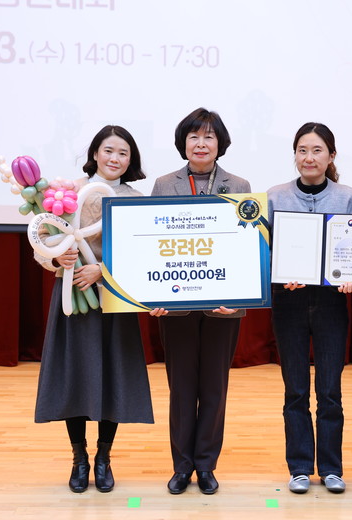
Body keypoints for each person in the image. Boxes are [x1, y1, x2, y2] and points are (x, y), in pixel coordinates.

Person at [34, 125, 154, 493]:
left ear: (131, 160)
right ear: (95, 154)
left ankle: (103, 457)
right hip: (72, 298)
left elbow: (142, 253)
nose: (115, 158)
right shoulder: (67, 192)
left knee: (112, 376)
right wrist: (57, 258)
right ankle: (79, 458)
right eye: (108, 150)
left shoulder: (136, 199)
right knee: (75, 376)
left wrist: (102, 270)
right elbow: (42, 240)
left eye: (123, 153)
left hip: (114, 299)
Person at [149, 107, 251, 495]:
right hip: (175, 305)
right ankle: (182, 466)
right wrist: (152, 296)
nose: (201, 143)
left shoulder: (239, 185)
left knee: (213, 388)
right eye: (194, 136)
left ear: (220, 143)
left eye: (209, 136)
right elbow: (153, 245)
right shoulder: (164, 185)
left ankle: (206, 465)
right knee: (181, 389)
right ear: (183, 144)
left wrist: (239, 298)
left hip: (223, 306)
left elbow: (247, 248)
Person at [267, 123, 352, 495]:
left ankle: (332, 468)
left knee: (330, 390)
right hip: (288, 302)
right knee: (295, 390)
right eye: (302, 150)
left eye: (317, 150)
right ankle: (300, 467)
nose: (309, 157)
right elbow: (265, 251)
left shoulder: (347, 197)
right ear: (295, 154)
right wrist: (278, 273)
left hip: (331, 303)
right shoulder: (275, 196)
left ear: (331, 156)